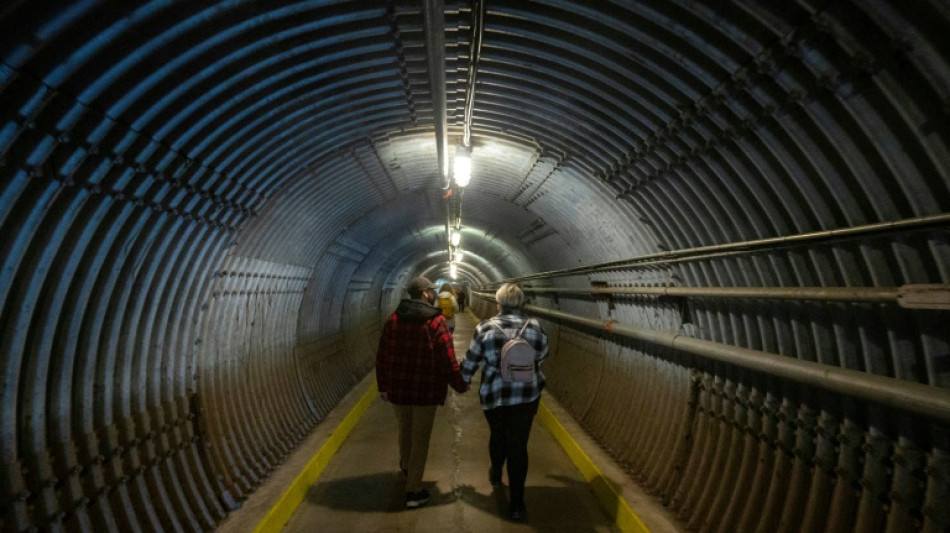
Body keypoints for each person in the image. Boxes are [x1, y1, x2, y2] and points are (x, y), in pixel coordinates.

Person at [376, 276, 469, 509]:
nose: (434, 293)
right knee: (420, 439)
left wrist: (383, 386)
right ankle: (414, 491)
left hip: (398, 389)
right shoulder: (435, 322)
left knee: (405, 431)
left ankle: (408, 468)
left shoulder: (393, 320)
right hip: (425, 390)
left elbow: (382, 355)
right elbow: (447, 359)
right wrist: (460, 384)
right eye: (431, 290)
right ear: (425, 293)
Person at [460, 283, 548, 521]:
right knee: (518, 445)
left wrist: (463, 380)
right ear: (521, 303)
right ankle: (517, 504)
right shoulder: (535, 327)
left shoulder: (486, 328)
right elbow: (541, 355)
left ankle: (497, 473)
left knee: (498, 435)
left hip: (495, 396)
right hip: (527, 396)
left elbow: (471, 360)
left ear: (498, 303)